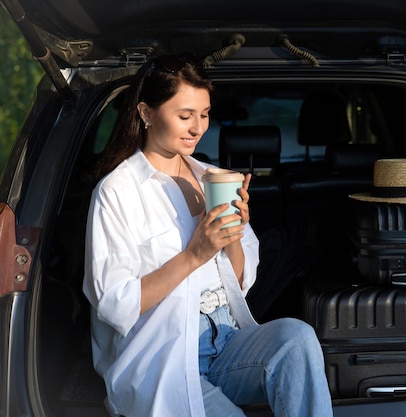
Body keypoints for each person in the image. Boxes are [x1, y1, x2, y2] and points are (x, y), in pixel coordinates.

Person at [82, 53, 333, 417]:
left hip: (225, 339)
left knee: (295, 338)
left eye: (204, 114)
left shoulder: (211, 176)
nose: (198, 128)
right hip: (161, 357)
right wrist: (194, 254)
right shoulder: (117, 191)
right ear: (146, 112)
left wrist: (232, 232)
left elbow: (243, 280)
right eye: (185, 116)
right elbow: (114, 303)